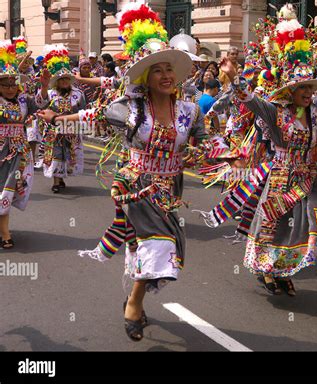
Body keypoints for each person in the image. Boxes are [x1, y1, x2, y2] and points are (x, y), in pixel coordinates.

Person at [39, 3, 210, 342]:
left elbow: (205, 145)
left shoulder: (190, 111)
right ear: (145, 77)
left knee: (157, 251)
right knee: (157, 248)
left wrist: (220, 156)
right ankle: (133, 303)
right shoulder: (130, 109)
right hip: (137, 186)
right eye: (156, 69)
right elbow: (93, 115)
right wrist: (59, 118)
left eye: (168, 69)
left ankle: (136, 298)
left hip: (171, 189)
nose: (165, 75)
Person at [215, 4, 317, 296]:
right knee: (273, 223)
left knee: (301, 227)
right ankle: (266, 270)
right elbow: (249, 100)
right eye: (303, 89)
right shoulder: (275, 112)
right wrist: (235, 77)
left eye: (311, 89)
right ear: (290, 91)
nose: (309, 94)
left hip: (307, 179)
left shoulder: (315, 113)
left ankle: (285, 270)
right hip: (280, 177)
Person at [0, 40, 48, 249]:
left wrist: (44, 88)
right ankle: (4, 232)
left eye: (13, 84)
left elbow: (40, 104)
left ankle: (4, 232)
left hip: (17, 152)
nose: (11, 88)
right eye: (5, 84)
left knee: (8, 189)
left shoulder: (23, 100)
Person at [36, 44, 86, 193]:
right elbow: (40, 103)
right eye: (61, 79)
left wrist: (84, 126)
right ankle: (56, 181)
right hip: (54, 130)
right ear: (56, 81)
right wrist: (44, 88)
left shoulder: (78, 93)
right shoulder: (50, 93)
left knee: (68, 155)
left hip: (71, 130)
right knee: (56, 154)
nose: (64, 81)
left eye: (66, 79)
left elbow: (84, 110)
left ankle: (61, 177)